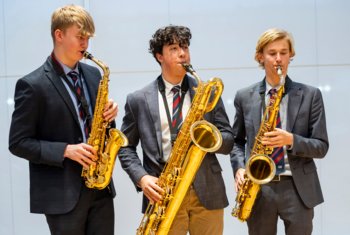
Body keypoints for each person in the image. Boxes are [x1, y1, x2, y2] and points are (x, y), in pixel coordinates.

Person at [8, 5, 118, 235]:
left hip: (100, 188)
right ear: (59, 35)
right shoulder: (32, 84)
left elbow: (102, 129)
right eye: (80, 37)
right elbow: (18, 143)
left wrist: (109, 116)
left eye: (87, 38)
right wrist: (66, 150)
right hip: (62, 195)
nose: (85, 44)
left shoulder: (93, 74)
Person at [118, 25, 234, 235]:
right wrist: (142, 178)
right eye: (173, 48)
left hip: (207, 192)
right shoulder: (138, 99)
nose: (182, 53)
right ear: (159, 56)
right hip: (163, 193)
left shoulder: (207, 92)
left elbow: (228, 140)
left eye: (185, 47)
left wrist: (210, 139)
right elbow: (125, 147)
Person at [230, 28, 329, 235]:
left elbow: (321, 146)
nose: (278, 59)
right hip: (259, 188)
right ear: (260, 56)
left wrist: (291, 140)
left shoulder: (311, 95)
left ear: (290, 56)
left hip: (297, 188)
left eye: (284, 53)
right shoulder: (244, 96)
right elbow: (237, 141)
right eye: (272, 53)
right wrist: (239, 168)